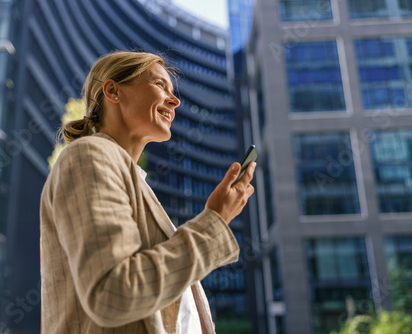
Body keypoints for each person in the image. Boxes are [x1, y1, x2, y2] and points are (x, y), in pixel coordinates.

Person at [40, 51, 256, 334]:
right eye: (159, 85)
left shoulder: (135, 183)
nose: (175, 100)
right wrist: (213, 221)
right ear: (113, 91)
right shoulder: (88, 155)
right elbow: (113, 292)